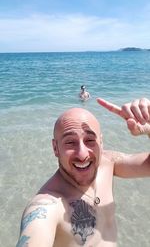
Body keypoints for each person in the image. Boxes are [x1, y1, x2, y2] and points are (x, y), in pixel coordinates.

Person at [16, 97, 150, 247]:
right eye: (70, 142)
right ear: (55, 148)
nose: (82, 154)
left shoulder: (108, 163)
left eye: (90, 140)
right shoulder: (47, 206)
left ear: (101, 142)